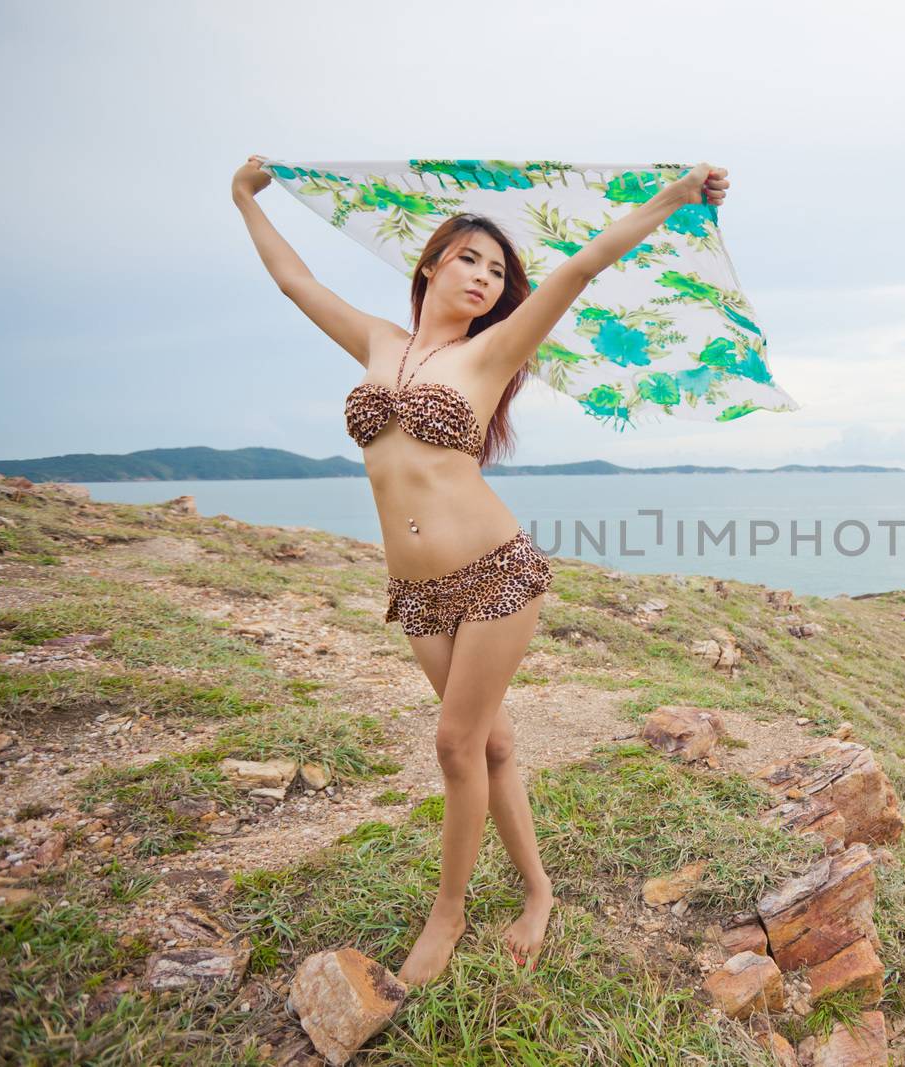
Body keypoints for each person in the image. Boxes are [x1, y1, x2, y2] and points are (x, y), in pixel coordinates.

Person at [229, 154, 730, 985]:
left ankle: (449, 911)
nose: (486, 278)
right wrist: (245, 198)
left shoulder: (493, 351)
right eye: (471, 258)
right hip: (418, 595)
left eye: (499, 272)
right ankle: (538, 892)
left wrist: (674, 198)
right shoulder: (378, 341)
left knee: (456, 744)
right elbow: (294, 280)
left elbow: (585, 262)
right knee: (491, 743)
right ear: (429, 263)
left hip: (495, 574)